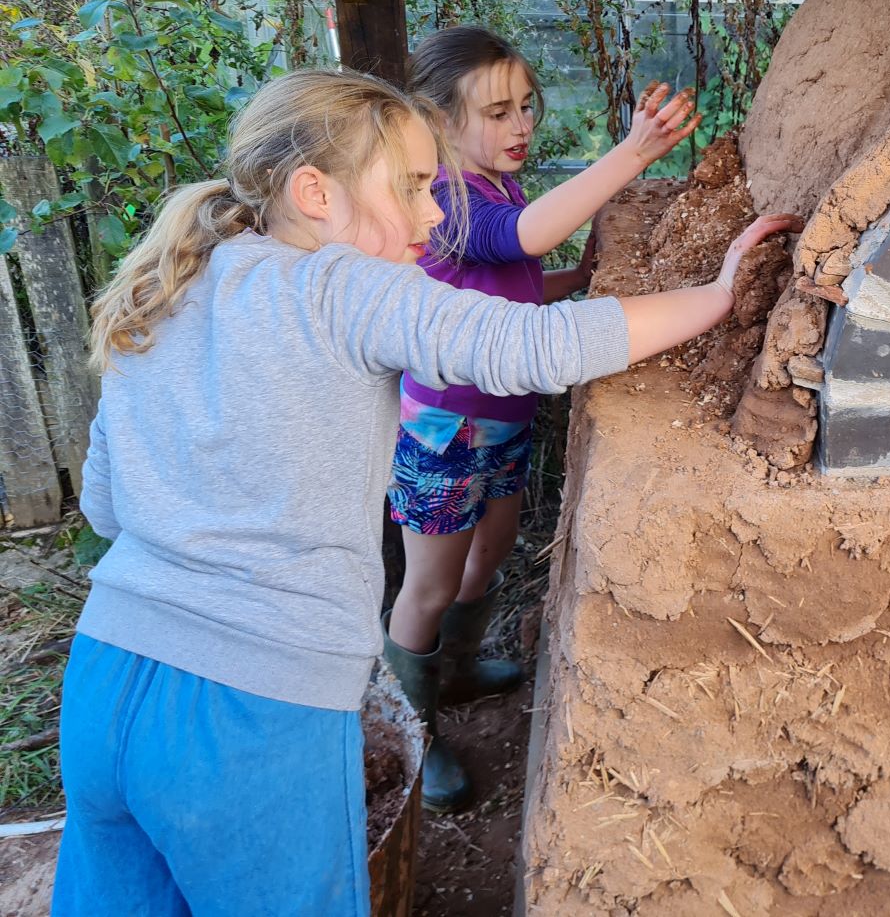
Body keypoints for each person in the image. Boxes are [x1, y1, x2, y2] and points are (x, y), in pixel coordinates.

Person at [53, 68, 795, 916]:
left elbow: (106, 507)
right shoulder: (339, 285)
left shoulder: (163, 291)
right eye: (412, 185)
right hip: (254, 708)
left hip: (106, 677)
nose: (436, 212)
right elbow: (534, 348)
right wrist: (720, 292)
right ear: (314, 193)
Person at [386, 26, 699, 810]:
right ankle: (412, 731)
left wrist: (580, 277)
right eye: (497, 112)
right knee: (429, 583)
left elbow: (516, 280)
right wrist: (632, 154)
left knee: (488, 554)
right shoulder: (445, 200)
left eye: (527, 106)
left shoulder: (495, 186)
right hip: (444, 431)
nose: (522, 125)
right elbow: (518, 239)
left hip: (502, 421)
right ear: (436, 121)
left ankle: (454, 672)